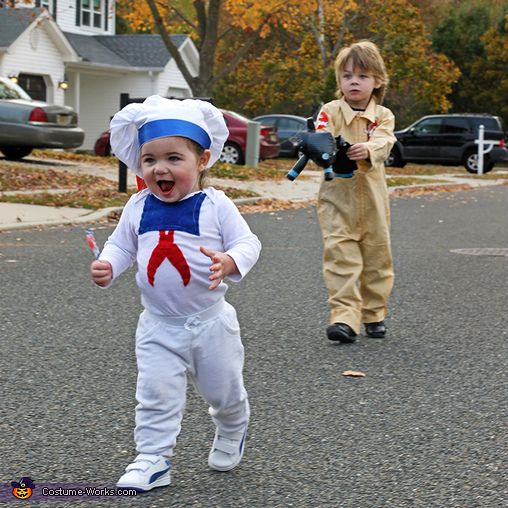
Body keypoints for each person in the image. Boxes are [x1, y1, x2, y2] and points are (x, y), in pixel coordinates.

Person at [89, 95, 261, 492]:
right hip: (157, 326)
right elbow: (122, 245)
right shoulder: (138, 205)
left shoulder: (216, 204)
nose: (159, 168)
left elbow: (248, 243)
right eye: (149, 160)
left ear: (201, 161)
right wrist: (108, 264)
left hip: (211, 324)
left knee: (223, 390)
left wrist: (230, 262)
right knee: (155, 393)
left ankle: (233, 424)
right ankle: (153, 458)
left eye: (173, 158)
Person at [315, 40, 396, 343]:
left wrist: (369, 148)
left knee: (377, 258)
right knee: (340, 257)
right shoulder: (330, 111)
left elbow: (385, 141)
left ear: (377, 81)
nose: (354, 81)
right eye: (347, 76)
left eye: (362, 76)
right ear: (340, 81)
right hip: (337, 200)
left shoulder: (383, 116)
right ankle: (345, 318)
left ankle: (374, 312)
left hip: (374, 202)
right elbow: (321, 133)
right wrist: (320, 145)